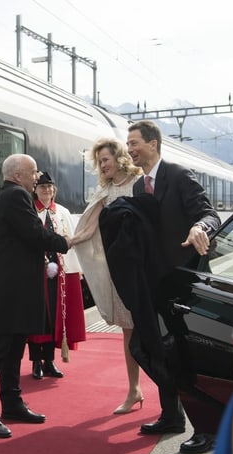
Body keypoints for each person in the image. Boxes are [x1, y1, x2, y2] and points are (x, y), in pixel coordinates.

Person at [126, 120, 221, 454]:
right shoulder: (139, 189)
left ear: (153, 144)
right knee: (143, 347)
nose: (129, 148)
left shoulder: (179, 175)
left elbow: (210, 215)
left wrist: (200, 227)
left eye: (134, 142)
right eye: (128, 143)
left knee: (185, 356)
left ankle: (206, 428)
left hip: (186, 283)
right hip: (156, 282)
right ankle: (172, 414)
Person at [0, 154, 70, 438]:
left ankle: (12, 402)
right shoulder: (15, 196)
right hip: (8, 292)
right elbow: (35, 235)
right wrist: (67, 242)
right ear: (17, 175)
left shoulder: (12, 195)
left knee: (14, 348)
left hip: (13, 290)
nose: (37, 177)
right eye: (32, 172)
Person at [71, 137, 145, 414]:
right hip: (120, 270)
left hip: (143, 268)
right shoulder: (106, 192)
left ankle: (166, 390)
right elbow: (88, 230)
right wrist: (65, 241)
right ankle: (134, 389)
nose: (101, 166)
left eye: (105, 160)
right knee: (128, 331)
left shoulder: (139, 183)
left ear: (119, 157)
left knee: (151, 330)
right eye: (99, 161)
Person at [28, 172, 86, 380]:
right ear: (35, 189)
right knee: (38, 319)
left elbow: (71, 241)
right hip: (36, 274)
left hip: (59, 275)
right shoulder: (30, 211)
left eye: (50, 187)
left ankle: (49, 361)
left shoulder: (62, 212)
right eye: (43, 187)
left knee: (55, 319)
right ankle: (36, 362)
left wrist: (76, 269)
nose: (47, 190)